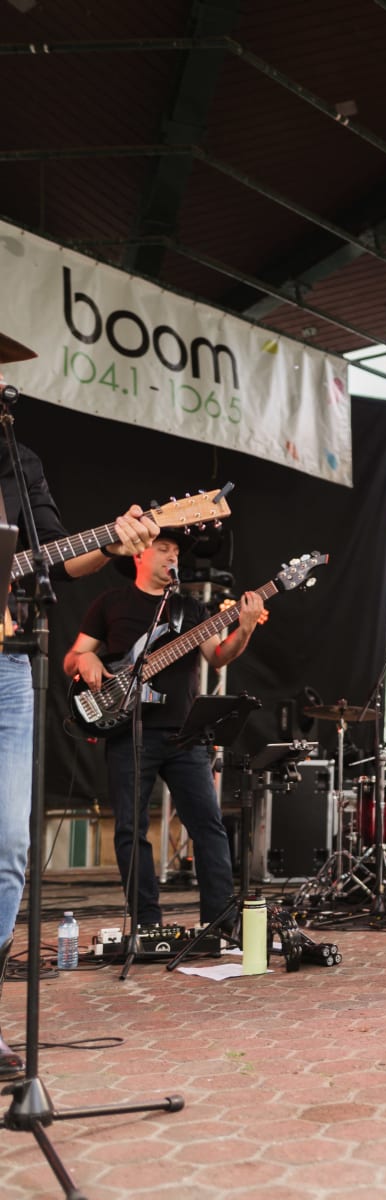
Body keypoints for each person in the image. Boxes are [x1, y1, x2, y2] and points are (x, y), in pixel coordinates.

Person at [1, 356, 160, 1080]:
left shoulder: (17, 458)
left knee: (10, 846)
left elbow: (56, 559)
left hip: (9, 665)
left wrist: (110, 543)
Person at [62, 531, 265, 938]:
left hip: (184, 735)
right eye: (164, 549)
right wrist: (85, 660)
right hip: (128, 731)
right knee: (129, 830)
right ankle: (146, 924)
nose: (173, 557)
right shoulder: (111, 603)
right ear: (140, 555)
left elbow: (219, 657)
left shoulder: (191, 608)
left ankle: (220, 923)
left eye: (176, 552)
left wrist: (244, 629)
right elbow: (71, 658)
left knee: (208, 826)